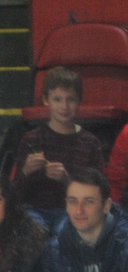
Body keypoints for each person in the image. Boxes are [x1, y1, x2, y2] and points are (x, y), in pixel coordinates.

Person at [21, 67, 106, 229]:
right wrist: (26, 170)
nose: (64, 107)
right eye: (57, 99)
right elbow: (15, 192)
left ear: (79, 101)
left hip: (72, 211)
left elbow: (99, 190)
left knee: (64, 233)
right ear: (46, 100)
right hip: (34, 210)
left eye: (71, 100)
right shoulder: (31, 139)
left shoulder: (91, 142)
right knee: (36, 231)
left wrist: (67, 181)